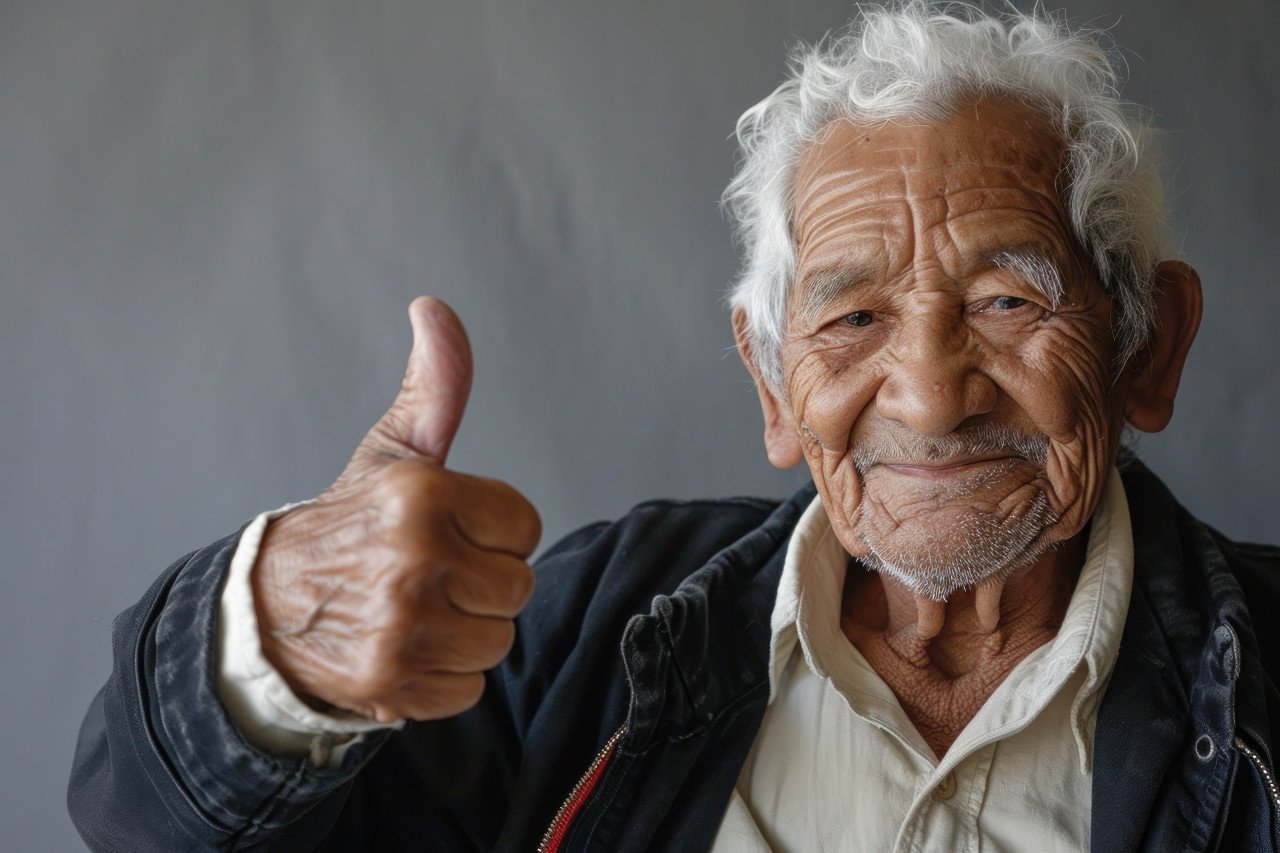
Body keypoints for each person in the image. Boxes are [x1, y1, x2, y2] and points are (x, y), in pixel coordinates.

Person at [69, 3, 1279, 851]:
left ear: (1144, 347)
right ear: (768, 384)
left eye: (1008, 301)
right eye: (851, 316)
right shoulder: (583, 638)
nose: (926, 392)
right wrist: (272, 658)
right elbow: (147, 824)